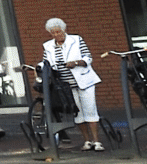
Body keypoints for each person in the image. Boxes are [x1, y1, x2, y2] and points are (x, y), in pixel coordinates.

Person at [41, 17, 104, 152]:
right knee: (78, 113)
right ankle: (87, 141)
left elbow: (88, 57)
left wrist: (75, 63)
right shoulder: (48, 46)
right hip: (66, 85)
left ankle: (97, 141)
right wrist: (36, 67)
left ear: (64, 30)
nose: (56, 35)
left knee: (90, 110)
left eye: (58, 32)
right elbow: (46, 62)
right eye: (53, 33)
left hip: (84, 81)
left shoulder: (76, 40)